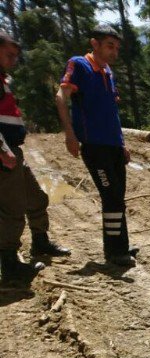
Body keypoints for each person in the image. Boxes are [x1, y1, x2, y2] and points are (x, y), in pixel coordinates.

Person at [54, 24, 136, 268]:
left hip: (113, 145)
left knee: (117, 197)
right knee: (110, 195)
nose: (114, 52)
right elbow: (61, 97)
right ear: (94, 44)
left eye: (117, 47)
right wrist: (70, 134)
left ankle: (119, 245)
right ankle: (115, 253)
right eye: (110, 46)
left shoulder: (108, 72)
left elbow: (112, 112)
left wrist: (122, 144)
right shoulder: (79, 65)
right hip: (93, 145)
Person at [0, 31, 70, 285]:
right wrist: (2, 149)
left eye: (15, 56)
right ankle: (9, 264)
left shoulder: (2, 79)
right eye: (8, 54)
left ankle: (40, 242)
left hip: (11, 152)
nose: (13, 60)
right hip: (4, 154)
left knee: (36, 197)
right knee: (12, 208)